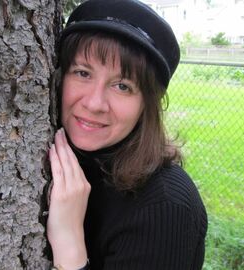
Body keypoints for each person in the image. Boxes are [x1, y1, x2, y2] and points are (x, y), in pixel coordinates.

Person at [46, 0, 208, 269]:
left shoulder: (165, 207)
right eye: (83, 73)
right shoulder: (58, 157)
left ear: (147, 104)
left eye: (122, 86)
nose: (94, 103)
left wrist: (69, 242)